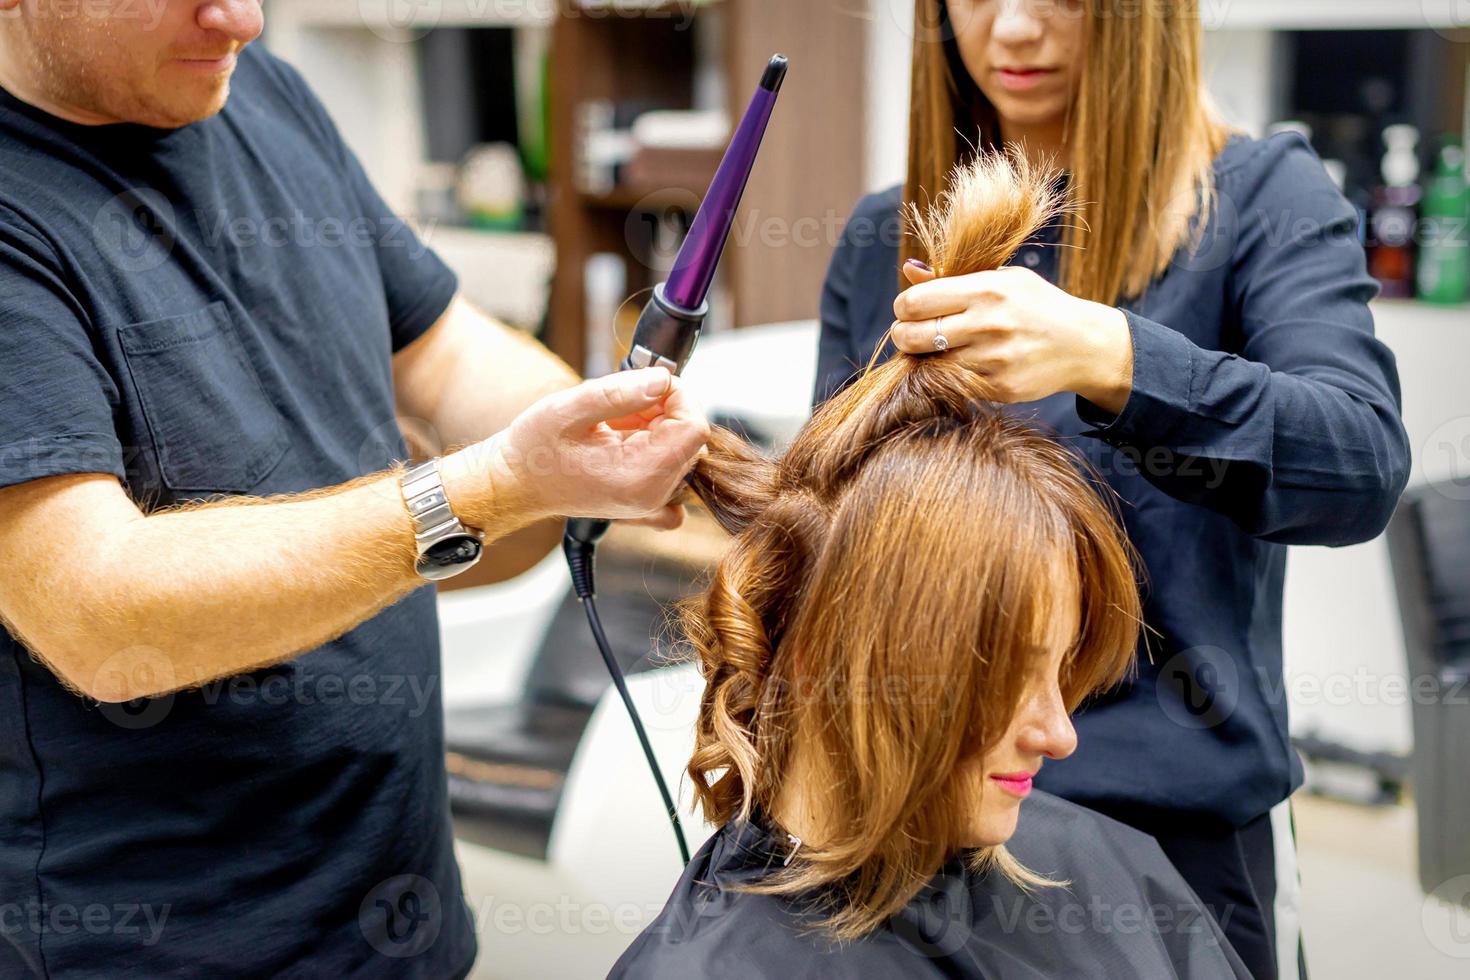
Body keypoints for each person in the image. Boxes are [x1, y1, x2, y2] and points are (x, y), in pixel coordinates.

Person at [0, 2, 706, 976]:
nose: (242, 20)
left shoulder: (265, 97)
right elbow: (101, 614)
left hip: (397, 910)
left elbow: (448, 351)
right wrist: (488, 488)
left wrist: (603, 420)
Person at [815, 3, 1411, 977]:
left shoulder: (1260, 199)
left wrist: (1113, 355)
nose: (1011, 31)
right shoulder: (885, 232)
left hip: (1168, 849)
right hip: (923, 828)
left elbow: (1355, 463)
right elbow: (841, 537)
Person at [613, 152, 1249, 979]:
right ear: (831, 658)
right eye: (1006, 674)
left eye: (1060, 671)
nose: (1062, 736)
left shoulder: (1117, 874)